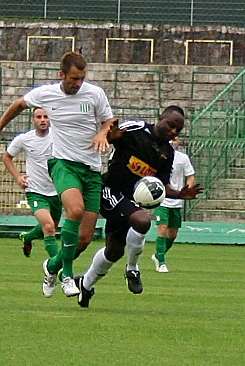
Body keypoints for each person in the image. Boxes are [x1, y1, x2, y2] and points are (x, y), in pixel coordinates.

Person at [0, 51, 116, 298]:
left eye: (82, 78)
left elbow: (109, 122)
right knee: (74, 211)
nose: (78, 83)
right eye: (74, 78)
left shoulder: (95, 94)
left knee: (84, 239)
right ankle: (67, 276)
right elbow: (19, 105)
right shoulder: (46, 93)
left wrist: (102, 133)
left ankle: (52, 266)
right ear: (62, 75)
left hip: (92, 170)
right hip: (64, 164)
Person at [74, 106, 203, 308]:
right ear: (161, 118)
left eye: (178, 130)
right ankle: (132, 268)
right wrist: (113, 136)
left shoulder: (167, 153)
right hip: (109, 190)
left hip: (131, 202)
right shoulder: (137, 128)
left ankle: (85, 284)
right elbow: (109, 137)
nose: (173, 132)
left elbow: (161, 185)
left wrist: (179, 194)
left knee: (114, 251)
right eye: (171, 125)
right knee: (142, 221)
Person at [3, 107, 61, 260]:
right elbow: (7, 157)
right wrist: (18, 177)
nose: (43, 120)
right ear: (33, 120)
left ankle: (28, 237)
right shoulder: (24, 139)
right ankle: (59, 268)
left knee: (51, 226)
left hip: (56, 190)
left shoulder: (58, 136)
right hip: (35, 190)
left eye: (45, 117)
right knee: (49, 227)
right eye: (39, 117)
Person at [151, 136, 196, 273]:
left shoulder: (182, 158)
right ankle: (162, 263)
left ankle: (159, 255)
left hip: (176, 200)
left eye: (175, 139)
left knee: (173, 234)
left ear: (178, 142)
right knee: (162, 229)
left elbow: (191, 176)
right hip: (162, 199)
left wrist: (186, 190)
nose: (172, 141)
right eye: (170, 139)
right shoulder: (158, 156)